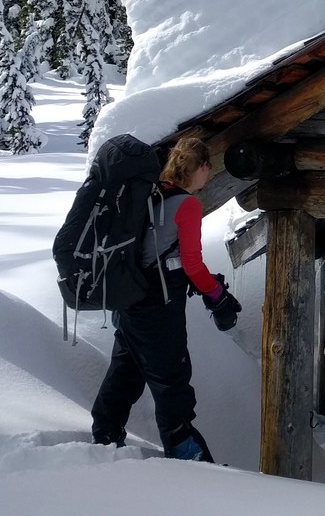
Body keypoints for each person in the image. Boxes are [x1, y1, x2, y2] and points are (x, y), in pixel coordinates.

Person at [90, 135, 241, 461]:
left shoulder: (149, 194)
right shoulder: (186, 204)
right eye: (207, 170)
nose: (206, 178)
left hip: (129, 300)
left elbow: (161, 254)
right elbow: (191, 263)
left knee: (126, 371)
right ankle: (189, 456)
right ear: (200, 167)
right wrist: (217, 295)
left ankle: (104, 436)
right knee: (172, 381)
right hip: (159, 307)